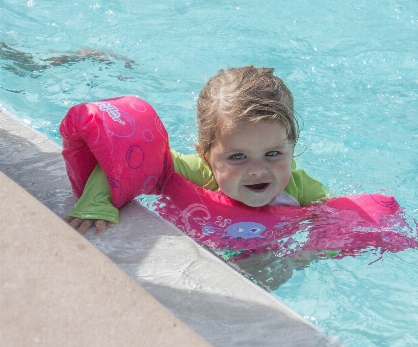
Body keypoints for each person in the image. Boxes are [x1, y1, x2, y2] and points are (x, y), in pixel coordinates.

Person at [64, 66, 328, 234]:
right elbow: (123, 162)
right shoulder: (192, 173)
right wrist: (95, 205)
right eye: (237, 156)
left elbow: (338, 219)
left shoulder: (302, 189)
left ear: (292, 147)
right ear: (205, 155)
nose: (258, 170)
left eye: (273, 153)